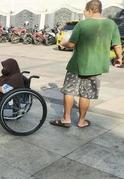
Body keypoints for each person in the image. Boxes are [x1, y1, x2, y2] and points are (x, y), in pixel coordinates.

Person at [50, 0, 122, 128]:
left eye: (85, 10)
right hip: (96, 67)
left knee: (69, 91)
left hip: (77, 65)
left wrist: (63, 43)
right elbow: (116, 44)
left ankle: (66, 119)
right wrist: (119, 58)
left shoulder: (82, 24)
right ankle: (81, 121)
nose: (84, 13)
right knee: (86, 94)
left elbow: (71, 44)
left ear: (90, 10)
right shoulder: (111, 24)